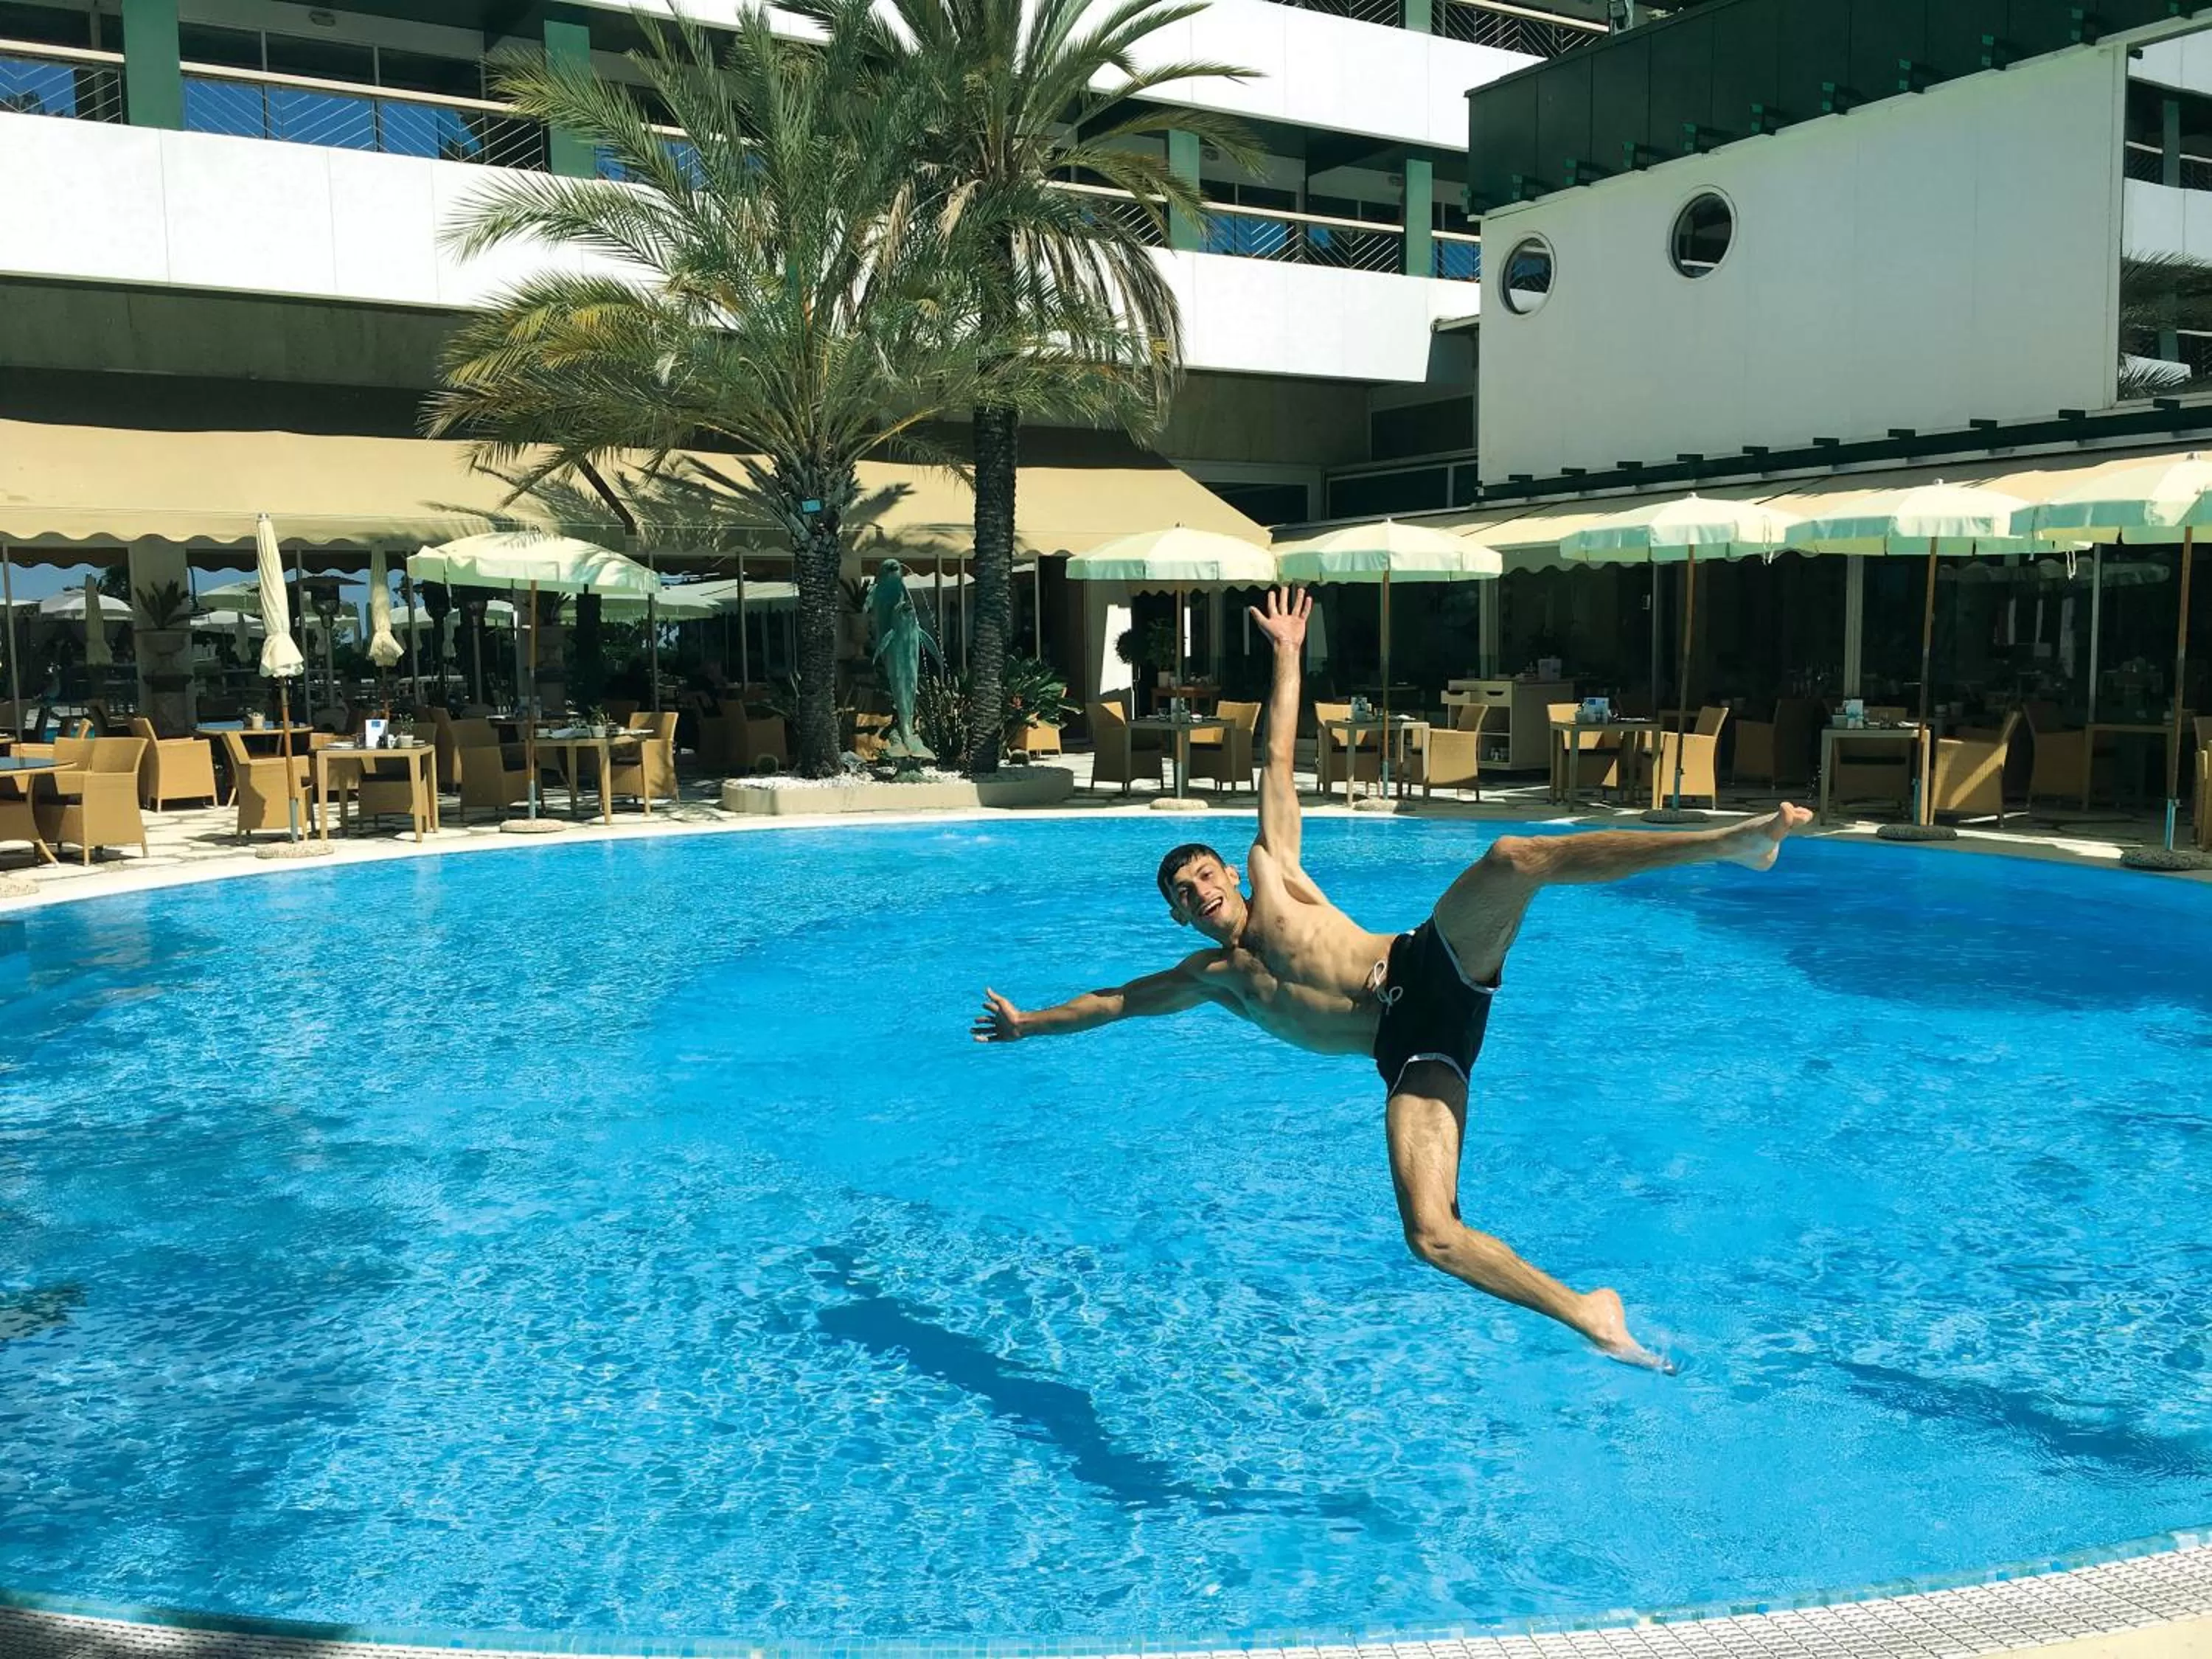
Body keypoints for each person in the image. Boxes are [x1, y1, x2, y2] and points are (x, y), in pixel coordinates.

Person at [973, 587, 1814, 1369]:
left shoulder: (1277, 870)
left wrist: (1289, 653)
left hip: (1431, 962)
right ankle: (1591, 1312)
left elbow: (1274, 755)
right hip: (1414, 1050)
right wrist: (1027, 1024)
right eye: (1183, 892)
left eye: (1203, 873)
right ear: (1179, 915)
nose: (1200, 889)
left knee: (1516, 856)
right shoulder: (1212, 978)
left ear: (1228, 871)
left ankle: (1730, 841)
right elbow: (1114, 1003)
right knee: (1431, 1235)